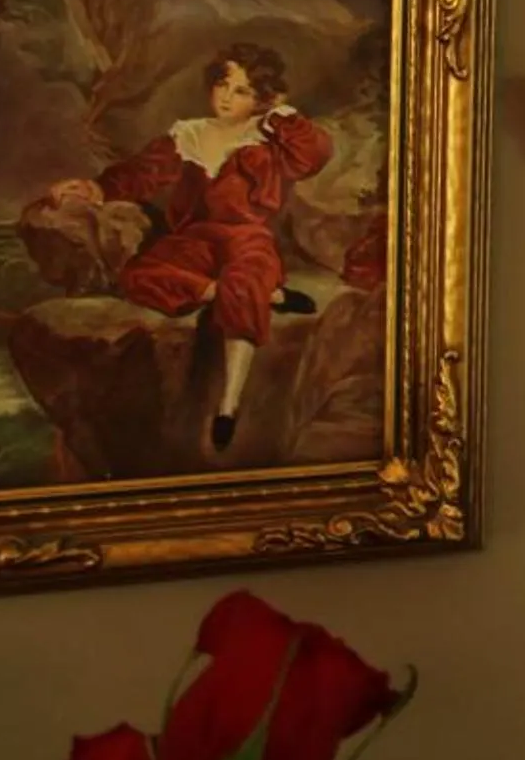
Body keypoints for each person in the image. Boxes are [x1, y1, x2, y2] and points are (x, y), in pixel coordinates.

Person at [40, 42, 335, 453]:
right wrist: (97, 188)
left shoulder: (267, 139)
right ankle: (258, 295)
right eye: (222, 85)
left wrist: (281, 115)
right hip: (194, 239)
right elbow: (143, 173)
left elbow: (315, 155)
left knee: (246, 271)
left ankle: (228, 407)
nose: (227, 97)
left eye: (242, 91)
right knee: (139, 275)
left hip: (247, 237)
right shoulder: (189, 134)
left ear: (262, 99)